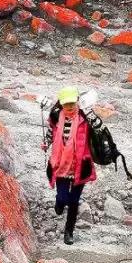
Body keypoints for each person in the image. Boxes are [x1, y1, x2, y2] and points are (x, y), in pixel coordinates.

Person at [44, 86, 96, 245]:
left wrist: (92, 116)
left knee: (73, 201)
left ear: (77, 101)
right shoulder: (55, 116)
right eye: (66, 103)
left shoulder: (85, 117)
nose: (70, 106)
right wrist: (46, 143)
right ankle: (59, 203)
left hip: (81, 165)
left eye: (72, 102)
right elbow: (51, 133)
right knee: (62, 197)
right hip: (60, 165)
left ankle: (69, 231)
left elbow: (99, 131)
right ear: (61, 103)